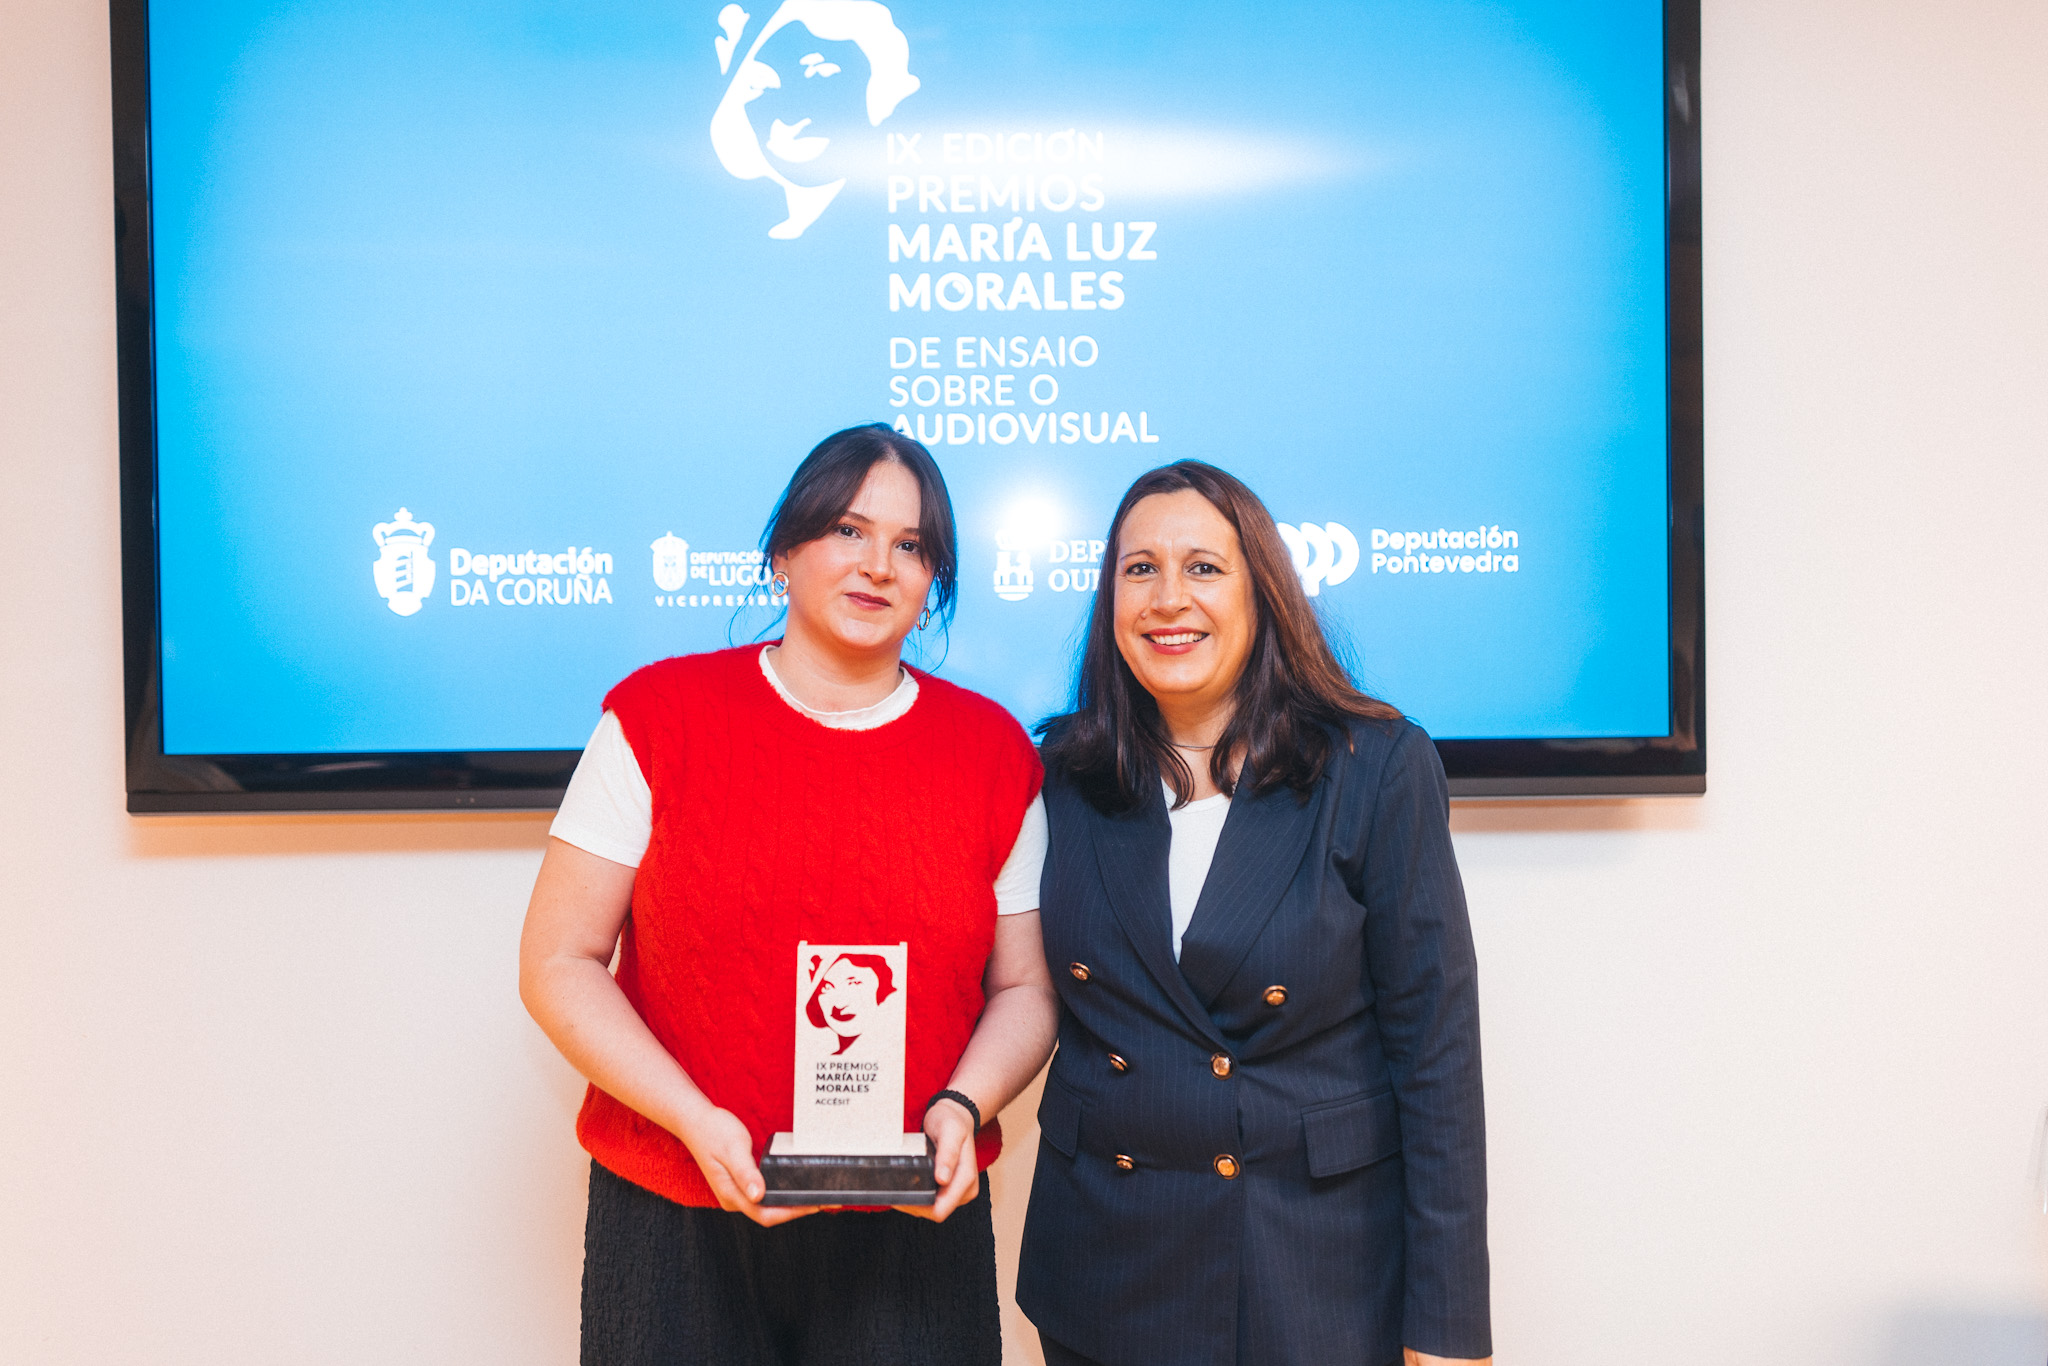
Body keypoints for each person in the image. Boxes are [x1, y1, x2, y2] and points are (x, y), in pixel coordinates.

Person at [520, 424, 1056, 1366]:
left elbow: (1026, 989)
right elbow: (559, 962)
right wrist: (695, 1122)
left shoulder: (994, 752)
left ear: (933, 579)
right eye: (849, 530)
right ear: (783, 551)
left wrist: (963, 1107)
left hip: (912, 1228)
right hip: (675, 1218)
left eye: (911, 545)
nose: (878, 565)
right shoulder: (656, 717)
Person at [1017, 461, 1492, 1366]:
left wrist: (1448, 1326)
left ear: (1262, 590)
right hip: (1104, 1271)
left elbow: (1436, 1055)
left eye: (1203, 567)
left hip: (1311, 1274)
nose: (1168, 598)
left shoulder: (1375, 766)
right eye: (1140, 569)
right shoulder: (1062, 775)